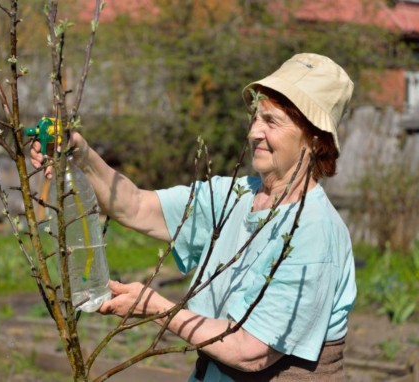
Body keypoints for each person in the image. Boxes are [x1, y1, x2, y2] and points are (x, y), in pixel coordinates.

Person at [31, 53, 356, 381]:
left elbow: (251, 351)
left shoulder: (313, 231)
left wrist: (156, 308)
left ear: (315, 140)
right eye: (255, 118)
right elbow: (136, 206)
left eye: (271, 122)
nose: (254, 132)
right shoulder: (233, 196)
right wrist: (80, 153)